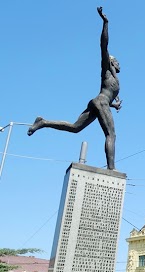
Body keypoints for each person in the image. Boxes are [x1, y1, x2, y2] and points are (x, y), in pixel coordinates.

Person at [28, 7, 122, 171]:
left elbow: (107, 95)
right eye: (117, 61)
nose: (119, 64)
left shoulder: (114, 79)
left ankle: (43, 122)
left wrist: (114, 105)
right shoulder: (106, 69)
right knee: (111, 135)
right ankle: (112, 169)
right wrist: (105, 23)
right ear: (112, 62)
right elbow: (104, 45)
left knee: (75, 128)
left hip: (99, 103)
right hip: (100, 102)